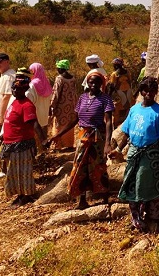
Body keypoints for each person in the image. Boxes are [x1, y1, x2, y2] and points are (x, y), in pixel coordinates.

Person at [109, 77, 159, 232]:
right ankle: (137, 219)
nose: (149, 94)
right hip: (133, 152)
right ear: (141, 91)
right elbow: (126, 133)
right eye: (146, 90)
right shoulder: (134, 110)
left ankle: (154, 218)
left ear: (156, 92)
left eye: (152, 91)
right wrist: (118, 150)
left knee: (148, 186)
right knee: (132, 184)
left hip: (151, 156)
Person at [47, 72, 114, 209]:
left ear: (101, 84)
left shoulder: (105, 99)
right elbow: (75, 120)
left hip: (97, 138)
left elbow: (108, 122)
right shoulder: (82, 98)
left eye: (96, 82)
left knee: (98, 167)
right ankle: (82, 200)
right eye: (91, 82)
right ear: (87, 83)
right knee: (80, 167)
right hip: (82, 137)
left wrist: (107, 143)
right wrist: (58, 135)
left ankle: (105, 198)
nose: (93, 85)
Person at [0, 75, 46, 207]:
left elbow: (35, 124)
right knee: (14, 171)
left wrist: (43, 140)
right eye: (13, 88)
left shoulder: (27, 105)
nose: (14, 90)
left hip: (21, 143)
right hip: (11, 143)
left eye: (17, 89)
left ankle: (25, 196)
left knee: (22, 171)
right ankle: (19, 195)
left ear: (24, 90)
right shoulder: (15, 102)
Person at [0, 53, 16, 178]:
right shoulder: (5, 75)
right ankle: (5, 169)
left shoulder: (8, 76)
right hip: (1, 115)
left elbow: (7, 96)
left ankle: (5, 170)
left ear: (7, 61)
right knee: (1, 143)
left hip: (4, 116)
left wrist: (0, 116)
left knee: (1, 143)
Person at [49, 60, 77, 150]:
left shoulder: (59, 78)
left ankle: (57, 145)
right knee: (69, 123)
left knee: (59, 124)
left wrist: (52, 105)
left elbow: (56, 93)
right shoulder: (72, 78)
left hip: (61, 105)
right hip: (71, 105)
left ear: (61, 68)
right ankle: (68, 144)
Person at [28, 62, 53, 133]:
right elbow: (50, 98)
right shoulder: (46, 83)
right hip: (44, 119)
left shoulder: (32, 85)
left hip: (35, 120)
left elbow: (29, 100)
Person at [108, 57, 133, 127]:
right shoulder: (127, 72)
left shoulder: (114, 74)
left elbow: (112, 86)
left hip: (119, 97)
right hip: (128, 96)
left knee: (117, 114)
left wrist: (108, 96)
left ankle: (116, 128)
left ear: (116, 65)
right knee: (127, 112)